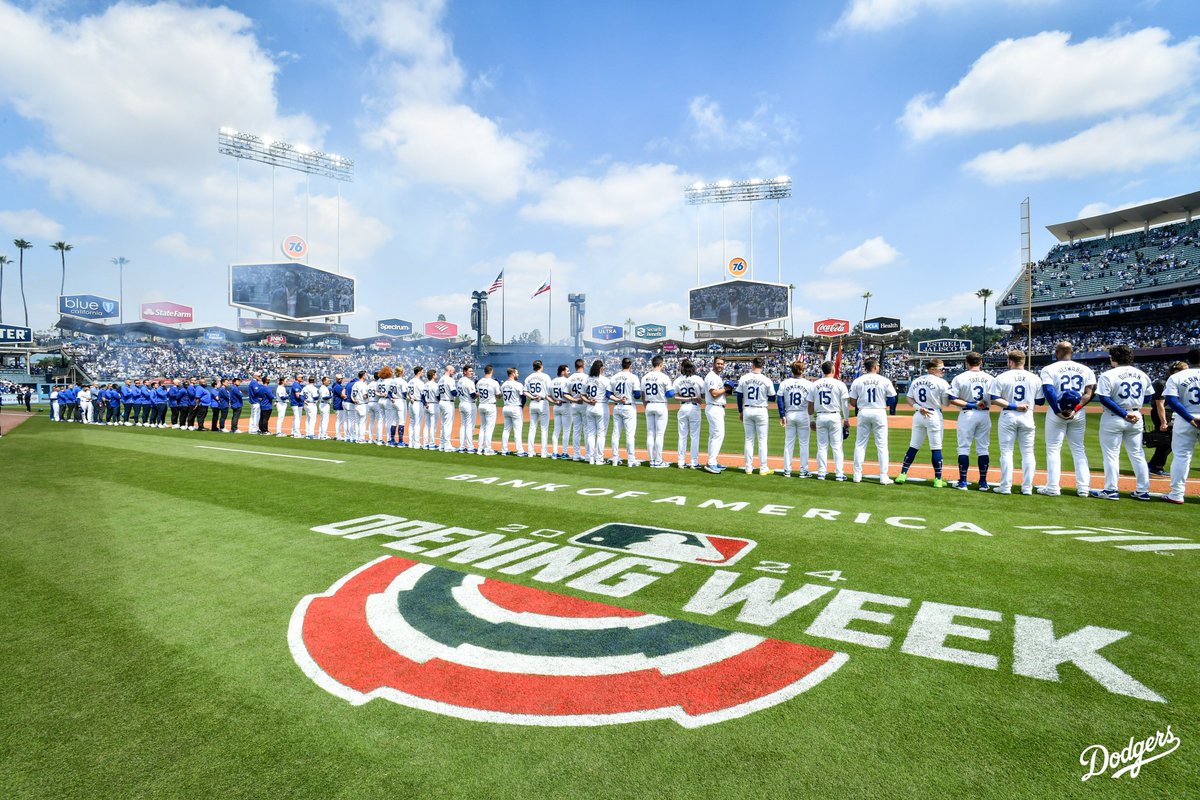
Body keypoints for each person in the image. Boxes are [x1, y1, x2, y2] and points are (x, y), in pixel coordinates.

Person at [1093, 344, 1153, 501]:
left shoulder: (1108, 375)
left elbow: (1104, 398)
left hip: (1114, 416)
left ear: (1114, 358)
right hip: (1136, 416)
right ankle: (1143, 491)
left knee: (1112, 455)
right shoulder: (1142, 374)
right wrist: (1133, 409)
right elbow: (1147, 397)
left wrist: (1124, 414)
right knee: (1138, 454)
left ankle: (1111, 490)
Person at [1038, 341, 1096, 497]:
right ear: (1072, 352)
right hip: (1078, 413)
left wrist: (1057, 411)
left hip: (1057, 412)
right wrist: (1076, 410)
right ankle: (1084, 488)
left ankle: (1052, 487)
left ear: (1057, 352)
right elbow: (1089, 394)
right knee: (1078, 449)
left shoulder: (1049, 369)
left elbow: (1049, 391)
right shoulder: (1086, 369)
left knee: (1053, 449)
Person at [989, 350, 1043, 496]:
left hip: (1008, 415)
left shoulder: (1001, 377)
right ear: (1024, 361)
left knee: (1006, 452)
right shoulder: (1035, 378)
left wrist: (1013, 405)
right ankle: (1027, 488)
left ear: (1010, 361)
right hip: (1027, 415)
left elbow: (994, 398)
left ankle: (1005, 487)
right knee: (1028, 453)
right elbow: (1040, 401)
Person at [895, 359, 951, 488]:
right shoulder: (942, 382)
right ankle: (938, 479)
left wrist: (918, 407)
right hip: (934, 414)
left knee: (913, 446)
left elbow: (909, 398)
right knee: (936, 447)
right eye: (941, 368)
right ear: (932, 369)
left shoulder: (916, 380)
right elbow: (946, 403)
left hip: (919, 413)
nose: (943, 371)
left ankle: (902, 474)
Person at [947, 352, 994, 491]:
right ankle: (983, 483)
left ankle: (962, 482)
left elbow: (952, 399)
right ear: (981, 362)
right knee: (983, 448)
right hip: (984, 414)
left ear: (967, 363)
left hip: (967, 413)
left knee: (963, 448)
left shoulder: (960, 378)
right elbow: (996, 397)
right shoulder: (990, 378)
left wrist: (972, 404)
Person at [848, 357, 896, 484]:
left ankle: (857, 475)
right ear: (875, 367)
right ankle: (883, 476)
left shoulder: (858, 381)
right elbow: (892, 399)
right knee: (882, 445)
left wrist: (861, 404)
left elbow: (852, 401)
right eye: (878, 366)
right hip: (879, 411)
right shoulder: (884, 380)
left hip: (863, 411)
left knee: (860, 444)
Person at [1162, 346, 1200, 504]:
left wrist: (1189, 418)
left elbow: (1171, 399)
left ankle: (1176, 494)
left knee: (1182, 456)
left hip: (1186, 419)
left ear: (1189, 360)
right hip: (1189, 417)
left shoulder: (1177, 376)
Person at [808, 360, 849, 481]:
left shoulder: (815, 384)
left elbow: (810, 405)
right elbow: (845, 404)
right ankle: (839, 474)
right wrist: (846, 419)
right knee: (837, 446)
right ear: (833, 370)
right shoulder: (840, 384)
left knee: (822, 446)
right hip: (834, 416)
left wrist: (811, 419)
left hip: (820, 416)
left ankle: (821, 472)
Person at [736, 356, 775, 475]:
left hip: (748, 409)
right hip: (761, 410)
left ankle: (748, 467)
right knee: (762, 440)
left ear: (753, 365)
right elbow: (772, 397)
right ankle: (763, 468)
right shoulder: (766, 379)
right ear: (762, 366)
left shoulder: (744, 378)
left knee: (749, 439)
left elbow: (739, 396)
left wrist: (740, 411)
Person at [1147, 362, 1185, 477]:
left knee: (1168, 440)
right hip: (1163, 413)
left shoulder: (1174, 382)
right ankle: (1156, 466)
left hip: (1170, 413)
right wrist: (1163, 421)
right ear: (1176, 371)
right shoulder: (1162, 383)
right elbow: (1160, 404)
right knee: (1167, 439)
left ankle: (1154, 465)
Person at [776, 361, 812, 478]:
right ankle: (803, 471)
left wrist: (782, 415)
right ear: (802, 370)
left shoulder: (785, 383)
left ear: (791, 370)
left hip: (789, 414)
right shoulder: (809, 384)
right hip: (803, 414)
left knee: (788, 443)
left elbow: (780, 400)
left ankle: (787, 470)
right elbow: (812, 402)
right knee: (804, 444)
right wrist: (811, 417)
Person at [608, 358, 641, 467]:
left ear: (621, 365)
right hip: (628, 407)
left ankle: (614, 458)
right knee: (630, 435)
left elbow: (608, 394)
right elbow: (637, 395)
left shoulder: (614, 376)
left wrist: (617, 399)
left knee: (616, 433)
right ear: (630, 365)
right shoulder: (633, 377)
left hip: (617, 406)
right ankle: (631, 460)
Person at [643, 356, 674, 469]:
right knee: (659, 435)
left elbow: (642, 394)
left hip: (649, 405)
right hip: (660, 404)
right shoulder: (664, 377)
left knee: (650, 433)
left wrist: (645, 404)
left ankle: (651, 460)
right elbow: (670, 394)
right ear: (660, 364)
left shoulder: (645, 377)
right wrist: (664, 393)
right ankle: (659, 460)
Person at [673, 359, 705, 469]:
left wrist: (688, 398)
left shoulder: (677, 380)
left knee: (682, 436)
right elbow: (703, 395)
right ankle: (693, 462)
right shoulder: (698, 379)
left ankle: (681, 461)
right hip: (694, 407)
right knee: (694, 436)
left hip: (683, 407)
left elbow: (676, 397)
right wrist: (694, 397)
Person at [703, 357, 730, 474]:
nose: (720, 365)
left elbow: (719, 394)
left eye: (722, 364)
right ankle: (711, 462)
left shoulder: (717, 377)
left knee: (714, 435)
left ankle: (712, 460)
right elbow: (714, 393)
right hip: (714, 407)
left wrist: (727, 392)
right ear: (714, 364)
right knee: (718, 434)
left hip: (717, 407)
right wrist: (725, 389)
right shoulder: (711, 376)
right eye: (718, 363)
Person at [583, 359, 611, 465]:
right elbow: (609, 394)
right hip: (601, 406)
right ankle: (599, 459)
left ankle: (590, 458)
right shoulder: (605, 380)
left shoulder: (587, 379)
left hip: (590, 406)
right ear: (601, 368)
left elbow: (582, 395)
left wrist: (589, 401)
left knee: (590, 434)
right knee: (601, 435)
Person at [524, 361, 551, 458]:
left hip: (533, 402)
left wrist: (533, 396)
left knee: (532, 428)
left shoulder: (528, 377)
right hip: (543, 402)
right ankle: (544, 453)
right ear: (541, 366)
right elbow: (549, 392)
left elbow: (525, 392)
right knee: (544, 429)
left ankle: (530, 452)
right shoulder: (546, 376)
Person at [565, 359, 589, 461]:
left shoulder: (570, 378)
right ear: (583, 365)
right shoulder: (587, 377)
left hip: (574, 405)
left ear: (575, 366)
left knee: (576, 430)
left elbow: (565, 394)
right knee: (587, 430)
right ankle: (588, 455)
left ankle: (576, 454)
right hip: (585, 404)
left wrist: (574, 400)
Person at [500, 367, 526, 456]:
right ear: (513, 374)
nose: (518, 375)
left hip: (506, 407)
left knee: (506, 430)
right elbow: (523, 397)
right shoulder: (518, 384)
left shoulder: (503, 385)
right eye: (517, 373)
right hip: (515, 407)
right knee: (517, 430)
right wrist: (521, 407)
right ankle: (520, 451)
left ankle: (504, 450)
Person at [476, 365, 500, 455]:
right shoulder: (494, 382)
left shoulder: (479, 382)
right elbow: (498, 395)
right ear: (491, 371)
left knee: (483, 427)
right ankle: (487, 449)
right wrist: (500, 394)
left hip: (481, 404)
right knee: (489, 428)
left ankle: (479, 448)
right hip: (490, 405)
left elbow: (478, 393)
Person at [549, 365, 570, 459]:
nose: (569, 372)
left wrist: (554, 401)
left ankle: (554, 452)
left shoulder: (552, 381)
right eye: (567, 371)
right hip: (565, 405)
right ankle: (564, 453)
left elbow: (547, 395)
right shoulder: (566, 381)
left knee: (556, 430)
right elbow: (569, 394)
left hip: (556, 406)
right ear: (562, 372)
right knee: (566, 430)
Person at [438, 365, 458, 452]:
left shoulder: (440, 379)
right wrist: (461, 393)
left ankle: (441, 444)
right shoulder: (450, 380)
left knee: (443, 424)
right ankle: (447, 445)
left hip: (442, 401)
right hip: (448, 402)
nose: (453, 372)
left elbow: (437, 394)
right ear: (449, 370)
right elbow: (454, 392)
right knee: (447, 424)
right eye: (453, 371)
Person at [457, 365, 477, 453]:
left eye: (472, 371)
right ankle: (469, 447)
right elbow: (473, 395)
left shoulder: (459, 381)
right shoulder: (469, 382)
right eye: (469, 371)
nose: (471, 373)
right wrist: (479, 393)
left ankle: (461, 446)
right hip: (469, 404)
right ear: (464, 372)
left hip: (462, 403)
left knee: (463, 426)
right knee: (469, 426)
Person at [407, 367, 425, 449]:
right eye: (422, 372)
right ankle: (417, 443)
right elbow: (423, 395)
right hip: (417, 403)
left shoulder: (410, 381)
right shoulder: (420, 382)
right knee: (417, 424)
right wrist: (426, 403)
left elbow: (407, 394)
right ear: (419, 372)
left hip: (411, 402)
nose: (423, 373)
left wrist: (410, 398)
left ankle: (411, 443)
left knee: (411, 424)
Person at [391, 366, 409, 447]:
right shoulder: (403, 381)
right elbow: (405, 394)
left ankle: (392, 440)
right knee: (401, 421)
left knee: (394, 421)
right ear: (401, 372)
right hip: (401, 401)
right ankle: (400, 441)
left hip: (394, 400)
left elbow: (388, 393)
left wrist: (391, 398)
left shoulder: (392, 381)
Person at [351, 371, 370, 443]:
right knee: (362, 423)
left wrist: (354, 400)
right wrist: (369, 399)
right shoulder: (363, 385)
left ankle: (357, 438)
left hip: (356, 404)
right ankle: (361, 439)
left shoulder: (355, 384)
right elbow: (365, 395)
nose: (366, 376)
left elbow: (352, 395)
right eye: (366, 375)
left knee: (357, 422)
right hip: (362, 404)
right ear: (363, 376)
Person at [330, 374, 346, 441]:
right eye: (339, 379)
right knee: (339, 421)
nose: (341, 380)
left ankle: (338, 435)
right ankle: (338, 435)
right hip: (338, 404)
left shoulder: (337, 385)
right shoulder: (337, 386)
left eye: (341, 378)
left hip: (338, 404)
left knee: (340, 421)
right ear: (336, 379)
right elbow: (343, 396)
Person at [315, 376, 331, 441]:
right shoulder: (324, 388)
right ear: (324, 381)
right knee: (325, 420)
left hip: (322, 404)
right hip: (324, 404)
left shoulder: (322, 388)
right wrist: (331, 396)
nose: (329, 382)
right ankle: (323, 435)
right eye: (328, 381)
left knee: (322, 420)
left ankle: (321, 434)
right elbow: (324, 397)